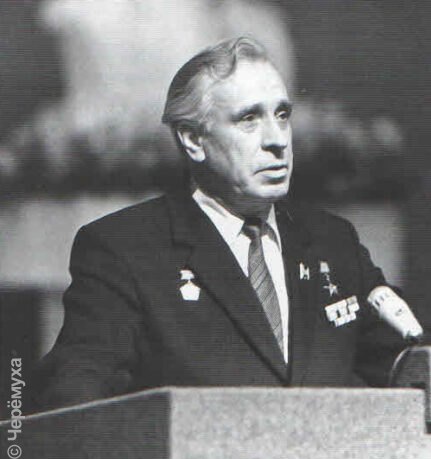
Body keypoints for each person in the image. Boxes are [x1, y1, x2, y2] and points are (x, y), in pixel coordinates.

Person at [33, 37, 409, 411]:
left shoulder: (333, 240)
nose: (277, 140)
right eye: (249, 119)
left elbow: (406, 359)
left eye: (282, 115)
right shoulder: (125, 250)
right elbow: (78, 393)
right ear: (193, 140)